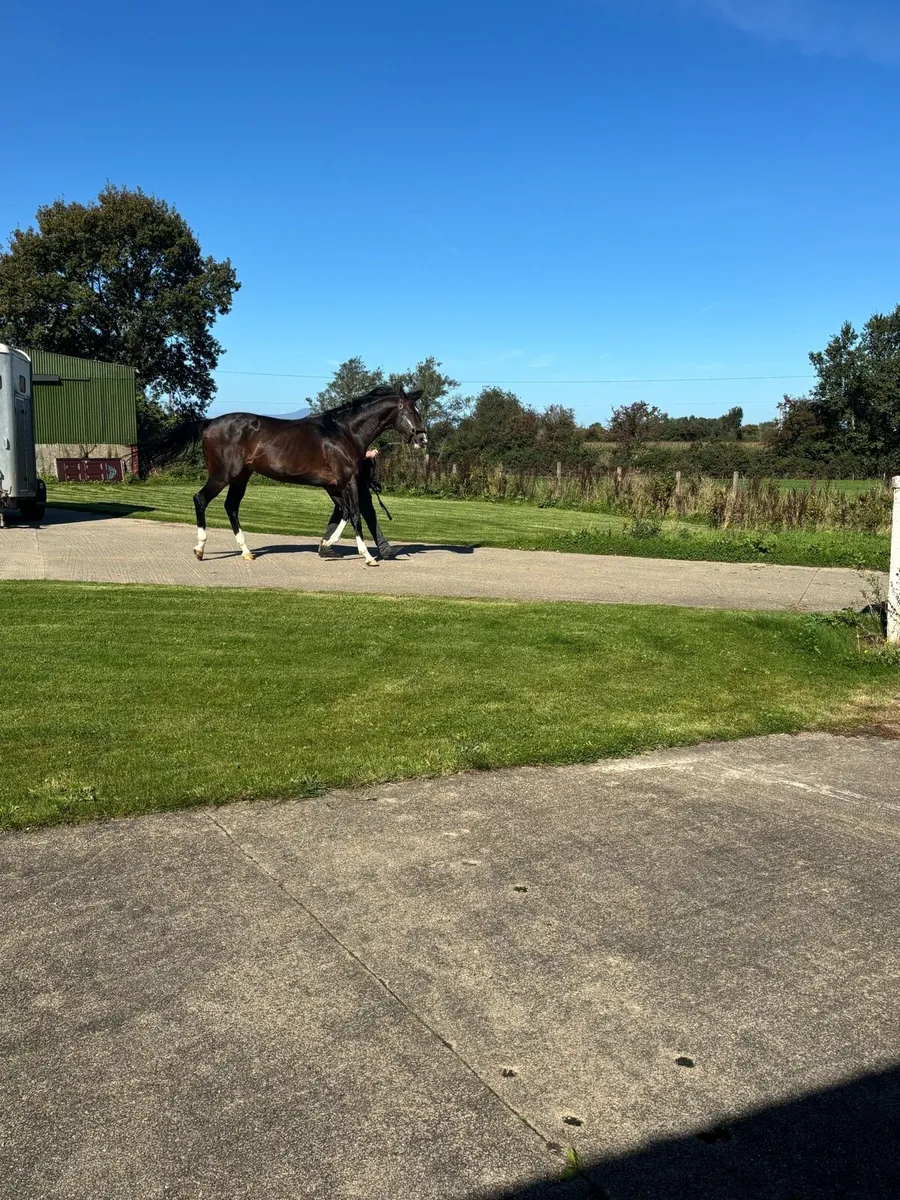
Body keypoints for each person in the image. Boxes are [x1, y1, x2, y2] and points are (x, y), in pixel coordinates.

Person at [318, 448, 397, 560]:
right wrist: (366, 454)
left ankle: (326, 545)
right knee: (368, 513)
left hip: (356, 482)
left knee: (341, 511)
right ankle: (383, 547)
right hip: (354, 483)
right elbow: (348, 454)